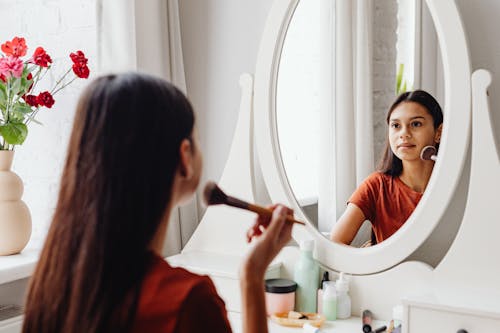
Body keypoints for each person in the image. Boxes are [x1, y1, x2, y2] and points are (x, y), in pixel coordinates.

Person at [22, 72, 294, 333]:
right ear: (184, 157)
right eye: (197, 138)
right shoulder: (188, 302)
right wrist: (252, 275)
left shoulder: (52, 287)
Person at [330, 90, 443, 245]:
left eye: (416, 124)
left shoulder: (453, 185)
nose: (404, 134)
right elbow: (336, 243)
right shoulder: (376, 186)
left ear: (438, 132)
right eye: (396, 125)